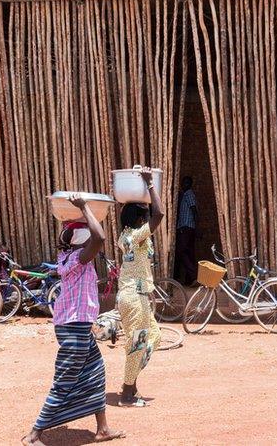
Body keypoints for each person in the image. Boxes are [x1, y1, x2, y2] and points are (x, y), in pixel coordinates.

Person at [23, 195, 124, 445]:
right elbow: (99, 237)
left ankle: (102, 429)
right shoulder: (80, 258)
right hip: (75, 325)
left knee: (95, 372)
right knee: (66, 378)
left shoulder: (67, 257)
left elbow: (91, 237)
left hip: (74, 324)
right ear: (83, 242)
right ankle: (35, 433)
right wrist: (83, 207)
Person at [116, 167, 164, 407]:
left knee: (153, 337)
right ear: (137, 219)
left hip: (135, 296)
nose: (147, 217)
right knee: (137, 343)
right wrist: (150, 184)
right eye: (143, 215)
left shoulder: (126, 235)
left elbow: (149, 214)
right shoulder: (135, 236)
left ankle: (131, 382)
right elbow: (160, 214)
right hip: (134, 297)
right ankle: (127, 393)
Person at [174, 176, 198, 285]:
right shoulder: (184, 195)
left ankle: (193, 276)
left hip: (186, 227)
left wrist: (196, 227)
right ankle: (189, 279)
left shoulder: (188, 194)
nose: (185, 185)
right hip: (187, 227)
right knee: (188, 252)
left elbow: (194, 210)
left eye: (187, 183)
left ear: (190, 184)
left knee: (181, 250)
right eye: (184, 183)